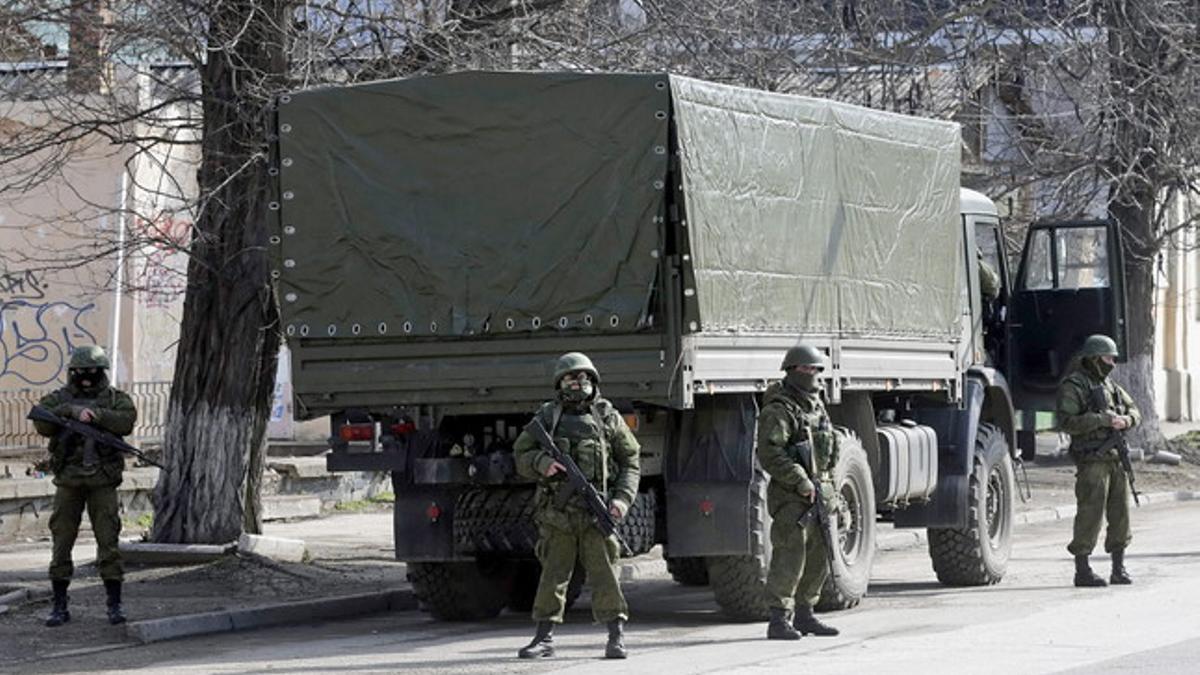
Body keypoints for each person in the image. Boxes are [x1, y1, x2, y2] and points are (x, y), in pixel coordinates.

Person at [512, 352, 641, 659]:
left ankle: (616, 635)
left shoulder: (607, 416)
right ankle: (544, 638)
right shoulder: (548, 417)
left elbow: (631, 460)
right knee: (553, 576)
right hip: (558, 516)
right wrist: (542, 463)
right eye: (572, 378)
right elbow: (520, 455)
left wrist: (622, 500)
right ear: (560, 384)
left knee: (605, 575)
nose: (578, 383)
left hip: (596, 514)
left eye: (584, 377)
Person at [31, 345, 138, 626]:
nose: (86, 378)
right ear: (72, 373)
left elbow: (126, 420)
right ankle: (59, 605)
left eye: (92, 372)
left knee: (108, 541)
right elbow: (42, 421)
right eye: (80, 373)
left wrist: (97, 416)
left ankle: (114, 605)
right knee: (62, 540)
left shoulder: (116, 399)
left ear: (101, 372)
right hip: (68, 481)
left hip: (102, 481)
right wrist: (70, 412)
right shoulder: (59, 399)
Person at [757, 342, 840, 640]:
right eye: (807, 369)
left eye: (817, 369)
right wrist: (799, 479)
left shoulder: (816, 406)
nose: (814, 374)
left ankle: (806, 614)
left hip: (819, 495)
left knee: (819, 556)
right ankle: (779, 618)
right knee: (790, 556)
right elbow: (769, 453)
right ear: (792, 371)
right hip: (792, 497)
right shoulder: (779, 409)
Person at [1056, 334, 1140, 587]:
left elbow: (1135, 410)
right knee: (1090, 513)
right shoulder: (1075, 386)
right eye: (1107, 358)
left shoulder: (1111, 387)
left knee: (1121, 515)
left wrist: (1126, 420)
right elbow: (1067, 422)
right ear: (1093, 359)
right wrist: (1101, 420)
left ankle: (1118, 567)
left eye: (1113, 358)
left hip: (1116, 460)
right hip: (1092, 460)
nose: (1112, 363)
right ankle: (1082, 570)